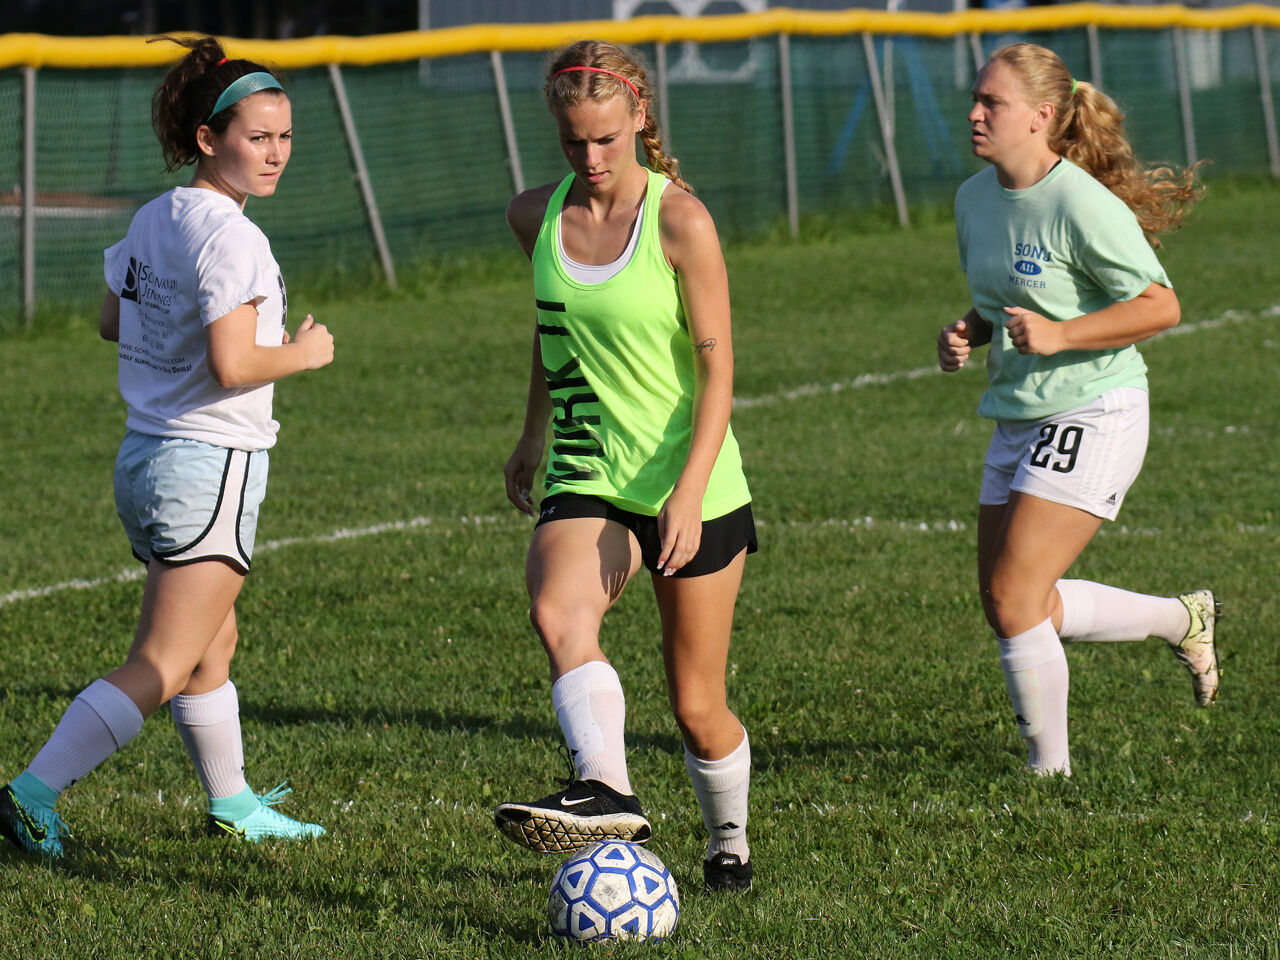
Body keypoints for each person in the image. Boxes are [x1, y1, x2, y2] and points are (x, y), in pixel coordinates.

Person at [0, 36, 334, 857]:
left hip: (146, 460)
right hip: (206, 466)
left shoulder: (159, 216)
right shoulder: (233, 236)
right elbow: (231, 363)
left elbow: (114, 318)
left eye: (284, 136)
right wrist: (304, 351)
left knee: (211, 643)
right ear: (207, 139)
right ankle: (29, 792)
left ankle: (235, 805)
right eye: (258, 137)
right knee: (159, 662)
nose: (276, 153)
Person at [492, 40, 757, 891]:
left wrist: (686, 493)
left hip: (692, 477)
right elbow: (551, 327)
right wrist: (534, 432)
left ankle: (729, 841)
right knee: (555, 609)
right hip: (588, 469)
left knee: (696, 707)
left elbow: (719, 374)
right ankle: (606, 786)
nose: (592, 158)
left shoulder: (682, 221)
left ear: (641, 117)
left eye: (607, 139)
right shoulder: (534, 216)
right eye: (574, 143)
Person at [938, 42, 1217, 777]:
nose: (974, 113)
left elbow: (1161, 305)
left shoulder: (1081, 203)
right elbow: (1004, 298)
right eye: (976, 98)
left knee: (1014, 593)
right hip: (1019, 410)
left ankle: (1049, 775)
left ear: (1042, 117)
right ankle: (1178, 618)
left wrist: (1061, 335)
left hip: (1097, 409)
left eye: (991, 103)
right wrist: (973, 327)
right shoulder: (974, 198)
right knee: (1011, 604)